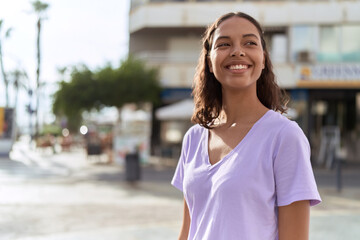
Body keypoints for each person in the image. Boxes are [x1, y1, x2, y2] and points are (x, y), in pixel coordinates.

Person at [171, 12, 321, 240]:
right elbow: (188, 231)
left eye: (250, 42)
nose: (237, 51)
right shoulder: (193, 138)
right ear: (209, 61)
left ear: (263, 59)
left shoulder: (284, 136)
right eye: (224, 44)